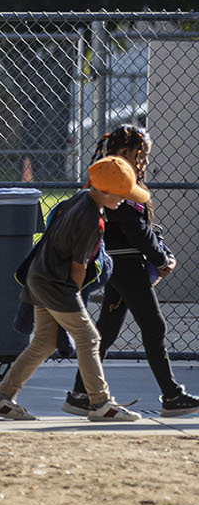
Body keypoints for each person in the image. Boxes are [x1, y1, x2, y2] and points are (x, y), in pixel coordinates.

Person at [0, 154, 147, 422]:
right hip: (56, 284)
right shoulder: (90, 220)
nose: (124, 199)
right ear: (103, 191)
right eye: (120, 194)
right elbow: (78, 267)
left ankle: (1, 400)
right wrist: (75, 298)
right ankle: (101, 403)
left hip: (39, 277)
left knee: (43, 343)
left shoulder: (80, 199)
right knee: (89, 338)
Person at [65, 127, 198, 418]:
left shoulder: (112, 176)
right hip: (126, 264)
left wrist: (158, 251)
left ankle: (79, 393)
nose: (145, 162)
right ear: (125, 153)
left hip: (120, 263)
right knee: (154, 326)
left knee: (108, 330)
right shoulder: (116, 180)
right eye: (142, 155)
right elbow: (136, 230)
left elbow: (142, 227)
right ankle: (172, 396)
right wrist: (161, 259)